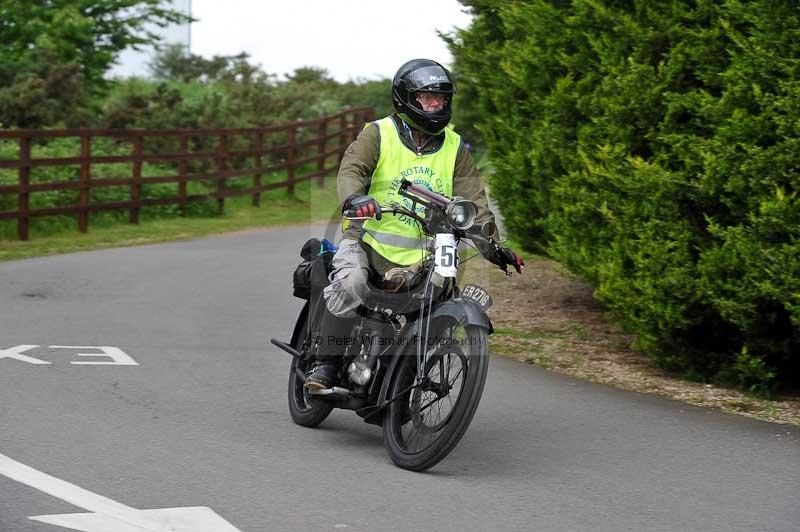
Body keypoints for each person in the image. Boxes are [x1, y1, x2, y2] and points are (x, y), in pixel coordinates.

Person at [304, 58, 523, 391]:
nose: (436, 104)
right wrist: (356, 199)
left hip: (426, 254)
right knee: (352, 285)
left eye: (442, 98)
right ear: (407, 97)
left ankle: (400, 379)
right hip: (367, 241)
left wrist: (495, 249)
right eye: (427, 97)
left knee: (439, 301)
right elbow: (352, 171)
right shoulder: (379, 133)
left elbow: (474, 202)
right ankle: (324, 364)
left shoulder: (454, 147)